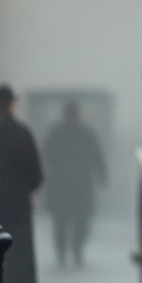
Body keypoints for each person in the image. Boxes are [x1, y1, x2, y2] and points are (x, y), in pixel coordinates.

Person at [0, 85, 44, 283]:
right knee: (18, 255)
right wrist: (25, 189)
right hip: (19, 205)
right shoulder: (23, 133)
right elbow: (36, 174)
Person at [42, 100, 106, 269]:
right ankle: (62, 251)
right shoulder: (58, 132)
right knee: (61, 222)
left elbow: (97, 155)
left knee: (81, 220)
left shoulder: (86, 133)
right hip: (63, 183)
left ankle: (76, 249)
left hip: (79, 182)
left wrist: (102, 175)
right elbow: (47, 154)